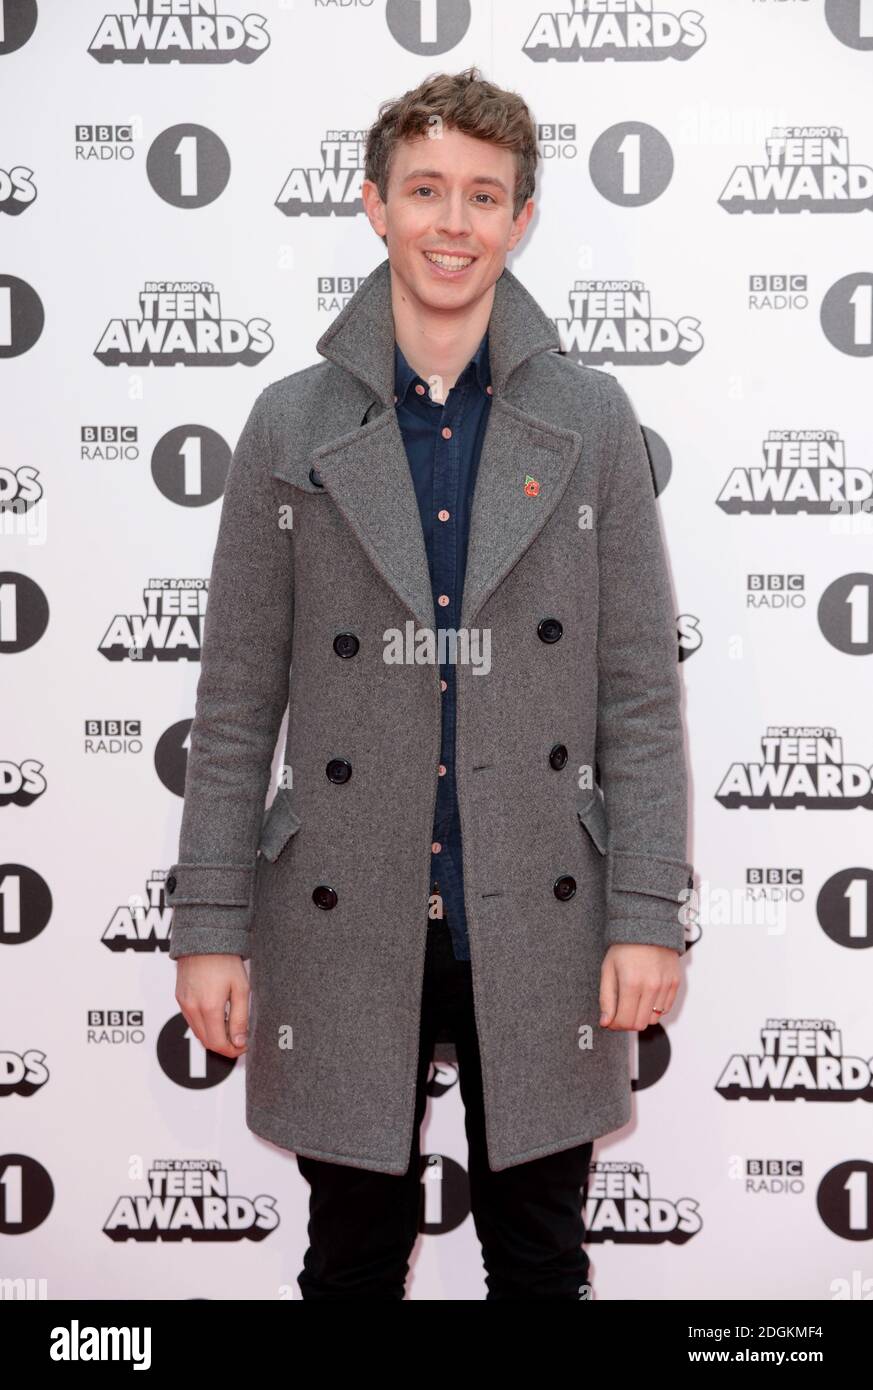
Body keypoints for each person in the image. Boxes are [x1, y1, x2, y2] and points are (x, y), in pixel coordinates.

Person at [167, 67, 693, 1300]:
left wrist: (647, 908)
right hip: (345, 909)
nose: (452, 222)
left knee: (542, 1257)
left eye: (483, 195)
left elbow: (637, 697)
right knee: (348, 1259)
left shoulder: (592, 421)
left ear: (521, 218)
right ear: (374, 205)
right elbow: (238, 703)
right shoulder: (287, 425)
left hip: (545, 909)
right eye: (426, 191)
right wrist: (208, 929)